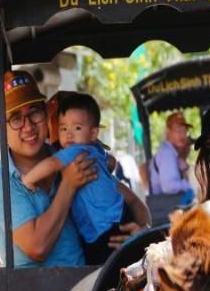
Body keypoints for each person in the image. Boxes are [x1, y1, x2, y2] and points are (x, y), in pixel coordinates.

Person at [21, 92, 151, 264]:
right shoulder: (95, 155)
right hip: (113, 220)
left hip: (106, 230)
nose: (68, 135)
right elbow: (112, 163)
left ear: (93, 133)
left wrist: (27, 179)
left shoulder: (76, 154)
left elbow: (51, 164)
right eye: (63, 128)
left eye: (77, 128)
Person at [0, 71, 96, 268]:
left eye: (34, 113)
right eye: (16, 119)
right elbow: (37, 247)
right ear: (0, 127)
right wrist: (68, 185)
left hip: (87, 288)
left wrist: (131, 229)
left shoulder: (69, 157)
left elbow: (112, 196)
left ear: (45, 114)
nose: (28, 127)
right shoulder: (0, 181)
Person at [148, 111, 195, 203]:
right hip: (164, 209)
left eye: (184, 131)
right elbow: (169, 187)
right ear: (168, 131)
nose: (182, 135)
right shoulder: (167, 154)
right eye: (178, 130)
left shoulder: (171, 153)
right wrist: (193, 184)